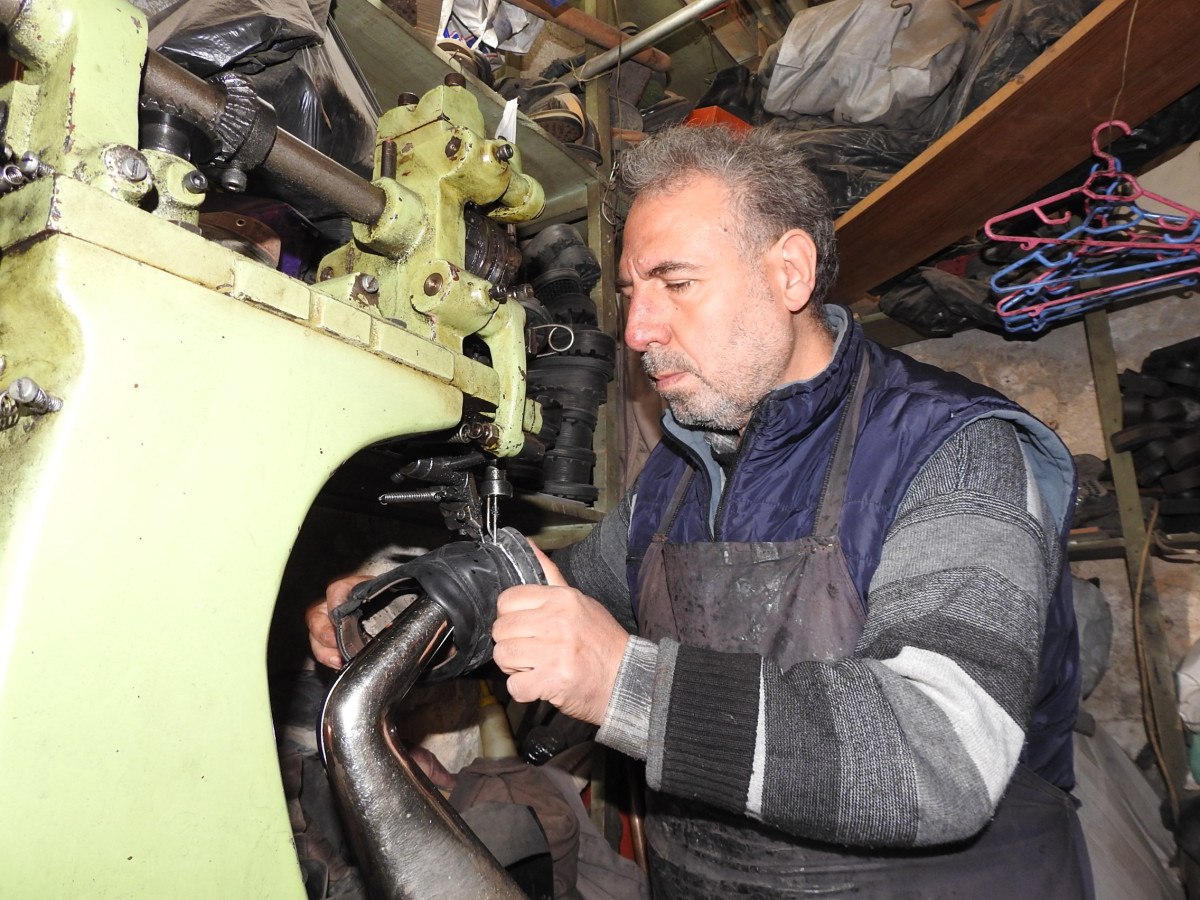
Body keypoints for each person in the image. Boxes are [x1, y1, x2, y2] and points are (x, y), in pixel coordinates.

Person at [311, 124, 1091, 898]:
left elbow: (940, 756)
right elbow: (554, 595)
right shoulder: (681, 476)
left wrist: (627, 683)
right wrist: (410, 601)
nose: (639, 332)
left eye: (676, 283)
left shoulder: (956, 450)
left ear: (789, 273)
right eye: (630, 294)